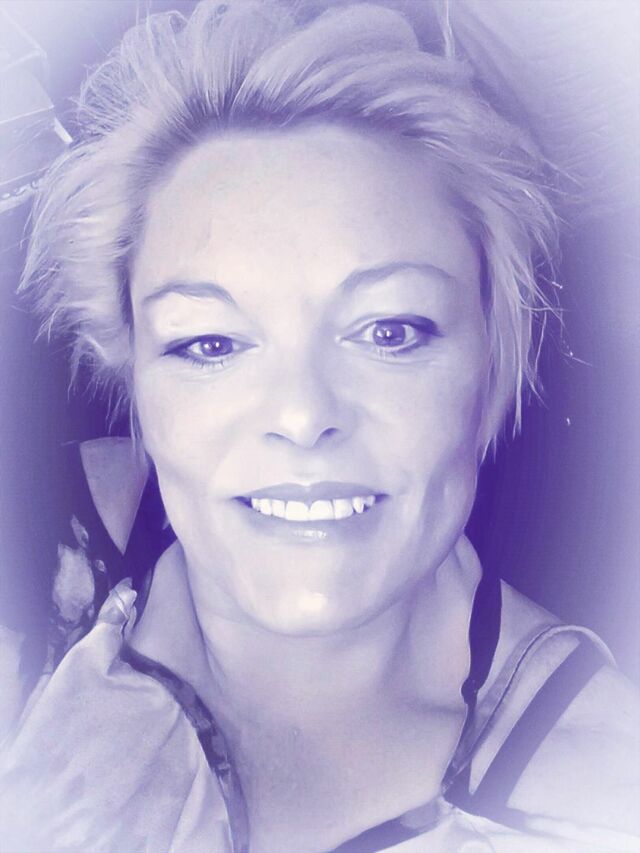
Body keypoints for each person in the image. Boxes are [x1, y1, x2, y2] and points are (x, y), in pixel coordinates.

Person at [0, 1, 638, 851]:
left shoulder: (601, 800)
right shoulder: (36, 564)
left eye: (389, 331)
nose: (302, 416)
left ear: (491, 364)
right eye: (211, 343)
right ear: (137, 379)